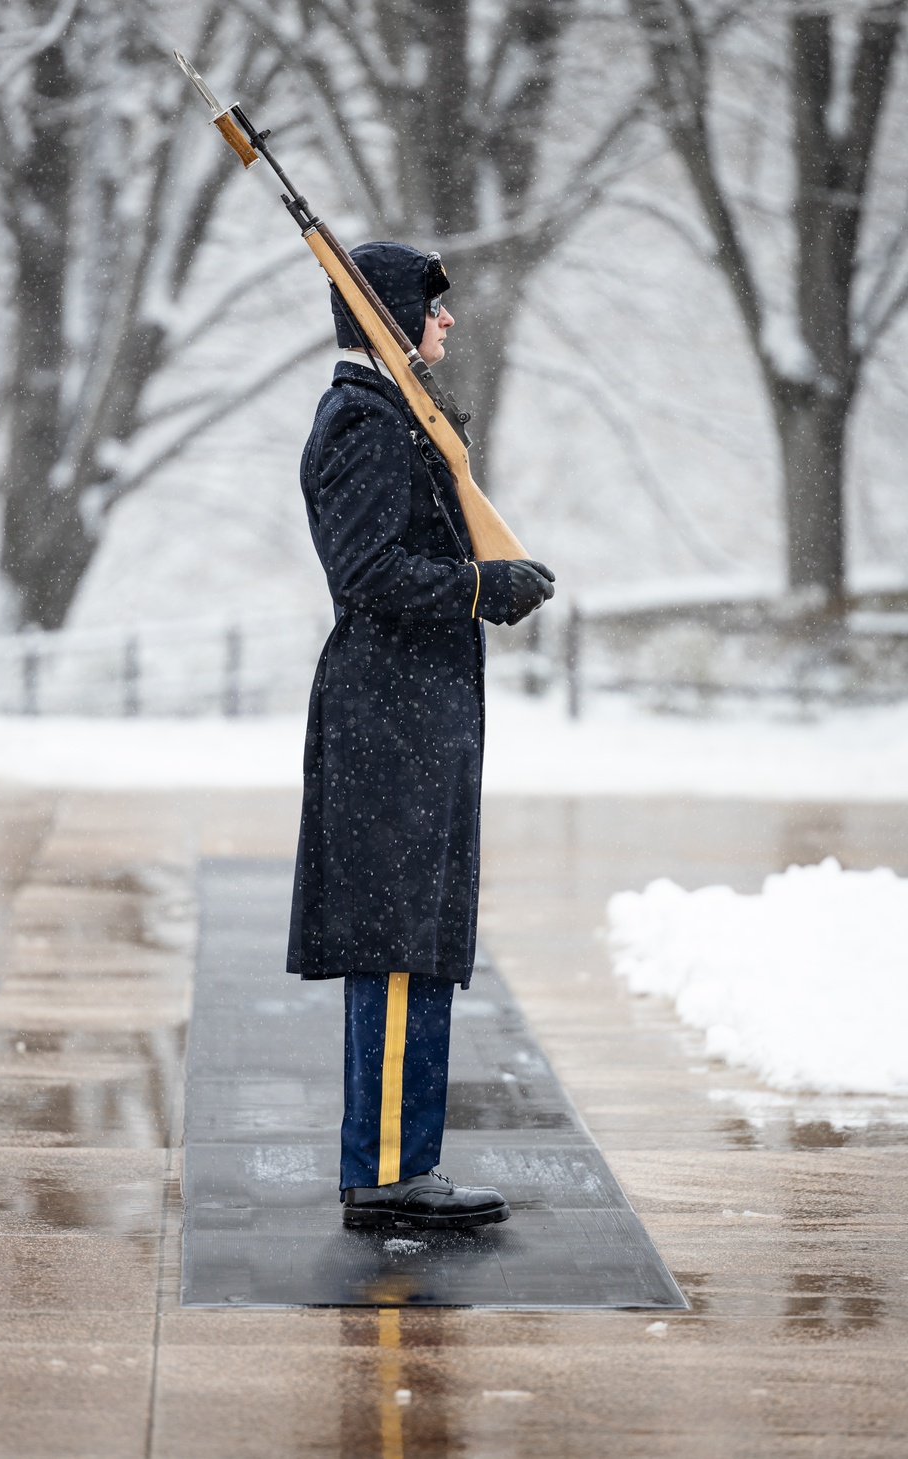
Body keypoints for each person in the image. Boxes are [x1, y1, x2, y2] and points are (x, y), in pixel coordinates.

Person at [286, 241, 555, 1230]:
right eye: (432, 310)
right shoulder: (364, 424)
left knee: (418, 935)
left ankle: (402, 1158)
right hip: (389, 706)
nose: (446, 323)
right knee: (399, 940)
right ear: (393, 319)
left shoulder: (394, 418)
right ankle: (389, 1169)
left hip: (411, 702)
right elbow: (367, 572)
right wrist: (483, 585)